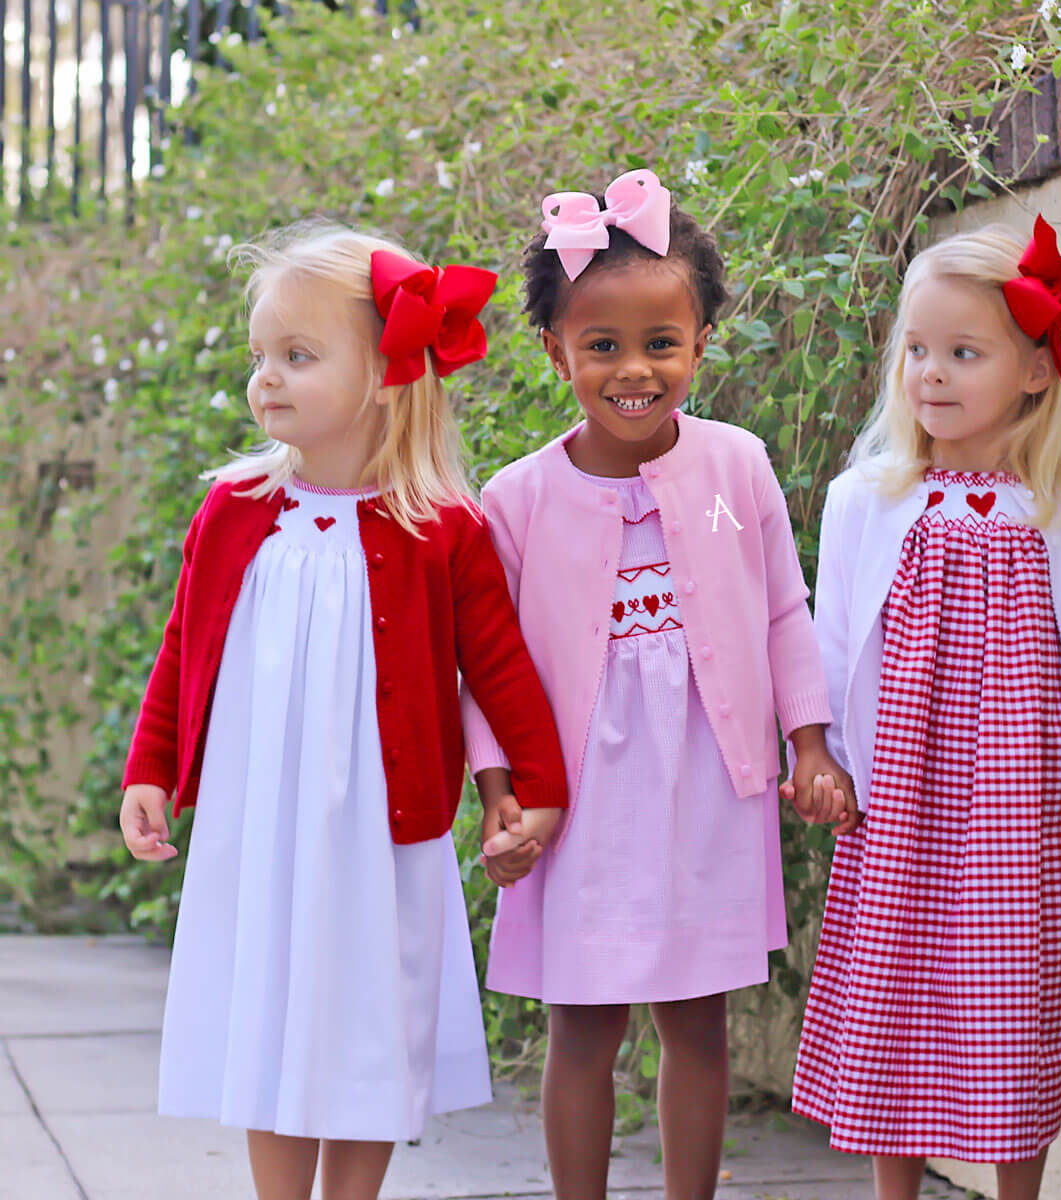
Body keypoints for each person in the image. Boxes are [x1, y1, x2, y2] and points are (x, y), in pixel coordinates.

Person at [118, 222, 567, 1200]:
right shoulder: (232, 508)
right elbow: (183, 649)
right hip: (259, 828)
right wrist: (151, 770)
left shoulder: (440, 527)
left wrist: (538, 788)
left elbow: (500, 665)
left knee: (369, 1023)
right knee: (269, 1013)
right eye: (260, 358)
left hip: (375, 834)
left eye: (298, 356)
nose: (266, 379)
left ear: (383, 375)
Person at [459, 168, 852, 1200]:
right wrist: (501, 795)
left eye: (661, 344)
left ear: (701, 343)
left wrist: (808, 743)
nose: (635, 370)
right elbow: (486, 666)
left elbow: (779, 610)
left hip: (710, 787)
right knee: (581, 1025)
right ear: (555, 350)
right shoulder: (518, 500)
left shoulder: (737, 470)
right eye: (603, 346)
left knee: (699, 1020)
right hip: (575, 800)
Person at [790, 217, 1061, 1200]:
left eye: (963, 352)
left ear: (1037, 370)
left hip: (1021, 791)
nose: (931, 374)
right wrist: (819, 753)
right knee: (898, 983)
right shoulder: (867, 497)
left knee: (1016, 997)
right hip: (900, 782)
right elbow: (831, 640)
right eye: (916, 350)